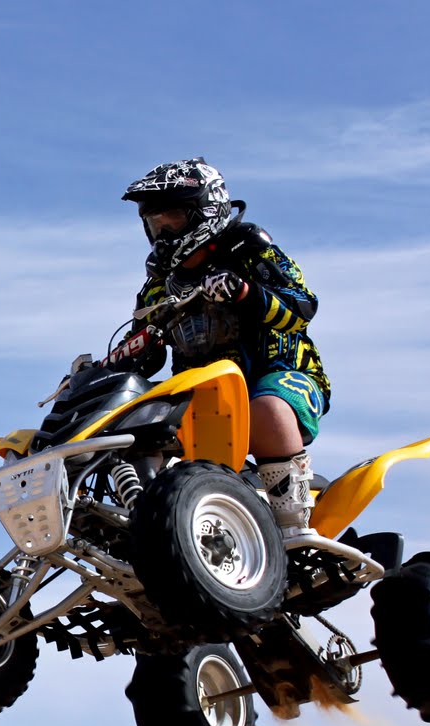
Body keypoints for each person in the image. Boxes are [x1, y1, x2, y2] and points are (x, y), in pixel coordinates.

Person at [108, 157, 329, 538]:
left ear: (205, 211)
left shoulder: (251, 251)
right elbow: (145, 350)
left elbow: (302, 308)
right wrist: (106, 369)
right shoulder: (159, 284)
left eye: (172, 218)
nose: (163, 230)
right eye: (155, 222)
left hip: (279, 377)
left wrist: (244, 292)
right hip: (200, 396)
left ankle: (293, 524)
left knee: (267, 410)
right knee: (134, 426)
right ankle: (150, 526)